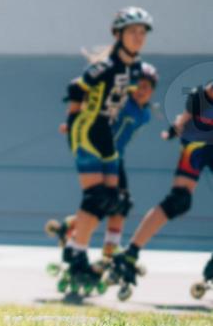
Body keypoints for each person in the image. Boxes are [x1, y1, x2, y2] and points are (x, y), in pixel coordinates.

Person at [55, 7, 154, 289]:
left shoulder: (136, 69)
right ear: (118, 34)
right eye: (133, 31)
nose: (138, 37)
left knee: (114, 200)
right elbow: (76, 88)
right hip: (87, 130)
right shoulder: (105, 66)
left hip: (106, 137)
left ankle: (75, 243)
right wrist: (72, 121)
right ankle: (77, 255)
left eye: (142, 32)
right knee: (96, 197)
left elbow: (130, 94)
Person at [47, 64, 157, 260]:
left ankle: (75, 230)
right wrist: (74, 123)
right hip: (102, 152)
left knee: (119, 203)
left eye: (146, 88)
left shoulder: (146, 114)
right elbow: (98, 109)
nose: (141, 91)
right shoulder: (124, 103)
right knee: (108, 200)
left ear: (153, 91)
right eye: (138, 86)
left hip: (116, 157)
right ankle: (94, 244)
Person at [112, 78, 212, 289]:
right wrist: (179, 124)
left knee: (180, 199)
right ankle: (130, 254)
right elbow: (203, 95)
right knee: (179, 199)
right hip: (200, 139)